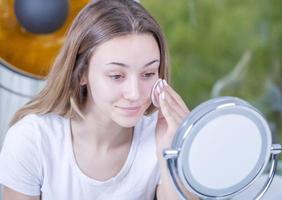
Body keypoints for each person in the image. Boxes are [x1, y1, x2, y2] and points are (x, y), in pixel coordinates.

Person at [0, 0, 192, 199]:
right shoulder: (33, 140)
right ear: (81, 73)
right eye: (116, 76)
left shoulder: (164, 137)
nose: (135, 93)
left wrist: (172, 153)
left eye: (148, 73)